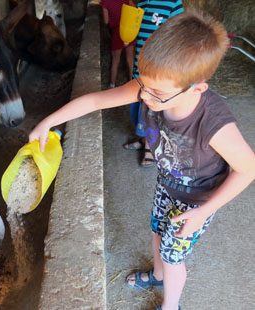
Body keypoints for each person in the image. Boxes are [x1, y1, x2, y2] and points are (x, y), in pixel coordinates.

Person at [29, 11, 255, 310]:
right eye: (142, 84)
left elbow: (248, 167)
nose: (145, 96)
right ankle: (158, 276)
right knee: (155, 233)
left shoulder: (214, 123)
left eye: (156, 92)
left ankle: (170, 305)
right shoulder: (151, 88)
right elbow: (96, 100)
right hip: (167, 183)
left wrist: (205, 211)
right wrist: (49, 121)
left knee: (174, 257)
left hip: (198, 200)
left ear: (196, 88)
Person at [125, 0, 184, 168]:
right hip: (139, 69)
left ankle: (150, 149)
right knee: (136, 111)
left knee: (152, 114)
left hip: (158, 72)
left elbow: (180, 34)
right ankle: (143, 140)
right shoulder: (143, 3)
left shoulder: (173, 3)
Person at [100, 0, 136, 89]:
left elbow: (106, 21)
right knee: (130, 59)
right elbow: (135, 10)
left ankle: (112, 85)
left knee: (116, 60)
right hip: (129, 30)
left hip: (117, 32)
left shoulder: (104, 2)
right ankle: (133, 83)